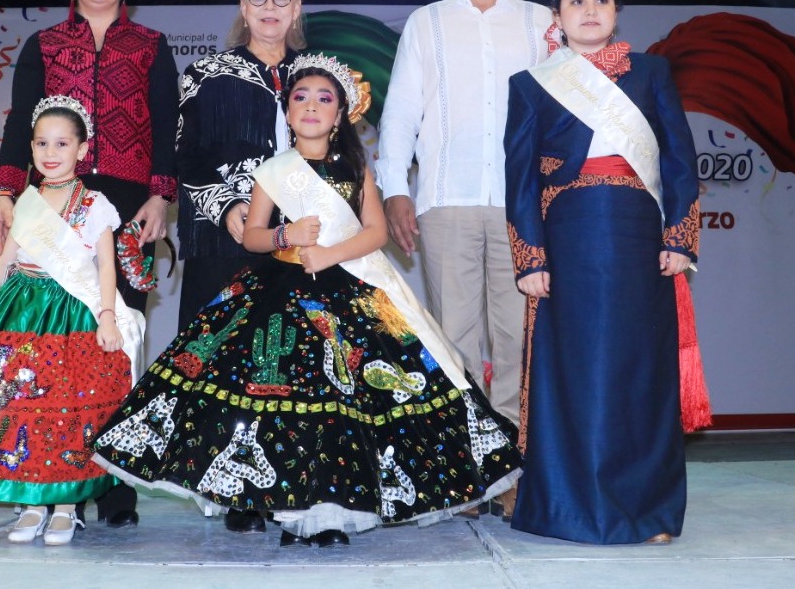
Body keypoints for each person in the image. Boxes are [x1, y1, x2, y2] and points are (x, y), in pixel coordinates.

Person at [93, 55, 522, 547]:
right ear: (287, 111)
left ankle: (328, 512)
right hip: (280, 291)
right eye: (300, 98)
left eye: (324, 99)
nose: (312, 106)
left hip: (347, 290)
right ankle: (279, 505)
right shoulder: (272, 171)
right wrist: (286, 236)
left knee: (341, 402)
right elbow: (252, 236)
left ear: (339, 115)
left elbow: (376, 232)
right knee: (281, 403)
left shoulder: (356, 168)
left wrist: (330, 254)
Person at [504, 0, 700, 545]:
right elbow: (519, 180)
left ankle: (648, 511)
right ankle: (568, 508)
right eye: (577, 1)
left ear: (616, 11)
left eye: (601, 0)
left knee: (639, 370)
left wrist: (679, 237)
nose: (590, 10)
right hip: (568, 239)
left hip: (639, 239)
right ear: (557, 16)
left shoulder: (652, 72)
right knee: (577, 370)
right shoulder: (531, 84)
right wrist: (530, 258)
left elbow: (680, 161)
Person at [0, 0, 178, 527]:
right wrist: (5, 191)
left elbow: (167, 123)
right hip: (52, 204)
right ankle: (47, 480)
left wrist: (161, 196)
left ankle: (114, 488)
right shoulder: (43, 45)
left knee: (113, 345)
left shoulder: (151, 46)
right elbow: (19, 123)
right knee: (51, 349)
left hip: (125, 206)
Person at [376, 0, 551, 517]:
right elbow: (400, 112)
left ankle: (510, 474)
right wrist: (394, 188)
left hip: (520, 205)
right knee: (453, 340)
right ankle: (465, 475)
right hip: (445, 199)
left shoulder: (542, 23)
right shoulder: (426, 23)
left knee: (518, 341)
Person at [0, 96, 143, 546]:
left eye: (62, 143)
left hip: (70, 314)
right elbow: (4, 262)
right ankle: (32, 502)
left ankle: (65, 507)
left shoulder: (95, 203)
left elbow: (105, 266)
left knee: (65, 407)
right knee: (16, 406)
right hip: (19, 311)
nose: (50, 152)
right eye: (42, 143)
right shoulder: (27, 200)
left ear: (83, 149)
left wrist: (107, 316)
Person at [176, 0, 304, 327]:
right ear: (243, 6)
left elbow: (340, 155)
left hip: (302, 242)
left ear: (296, 8)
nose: (269, 6)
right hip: (223, 239)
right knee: (212, 352)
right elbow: (186, 155)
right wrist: (227, 206)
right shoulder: (205, 75)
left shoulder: (317, 77)